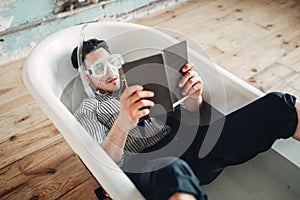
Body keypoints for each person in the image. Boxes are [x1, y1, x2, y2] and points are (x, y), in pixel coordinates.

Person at [70, 38, 300, 200]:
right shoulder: (87, 110)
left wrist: (193, 98)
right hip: (144, 168)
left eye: (112, 63)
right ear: (86, 77)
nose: (110, 72)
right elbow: (102, 163)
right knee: (171, 168)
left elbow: (192, 120)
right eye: (100, 68)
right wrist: (122, 124)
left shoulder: (141, 82)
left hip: (191, 149)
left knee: (278, 104)